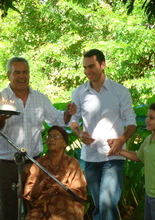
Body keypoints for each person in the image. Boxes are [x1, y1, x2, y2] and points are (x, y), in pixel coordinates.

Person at [0, 57, 77, 220]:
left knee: (36, 210)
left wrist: (67, 113)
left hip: (34, 163)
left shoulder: (40, 98)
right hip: (8, 164)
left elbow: (58, 119)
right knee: (8, 212)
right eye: (17, 72)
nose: (22, 76)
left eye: (25, 72)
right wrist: (1, 118)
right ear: (8, 75)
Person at [70, 49, 137, 220]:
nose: (87, 71)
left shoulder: (120, 91)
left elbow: (131, 122)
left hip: (113, 156)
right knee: (100, 206)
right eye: (85, 68)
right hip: (90, 157)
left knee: (107, 203)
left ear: (103, 64)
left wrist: (122, 139)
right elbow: (73, 121)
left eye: (91, 66)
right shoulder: (78, 93)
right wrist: (79, 133)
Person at [24, 125, 87, 220]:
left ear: (64, 143)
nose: (51, 139)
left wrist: (60, 188)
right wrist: (42, 184)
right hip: (43, 206)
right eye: (49, 136)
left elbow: (79, 193)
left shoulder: (72, 163)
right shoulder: (39, 163)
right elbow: (30, 193)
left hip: (67, 206)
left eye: (56, 136)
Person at [112, 102, 155, 220]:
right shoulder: (148, 139)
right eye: (147, 116)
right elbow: (138, 157)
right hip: (149, 194)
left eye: (151, 118)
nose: (147, 120)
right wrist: (118, 150)